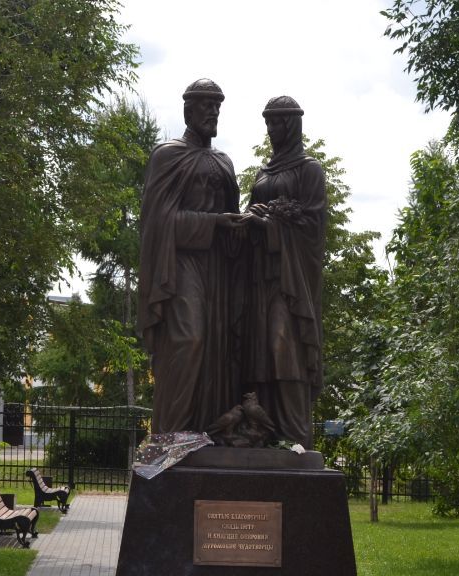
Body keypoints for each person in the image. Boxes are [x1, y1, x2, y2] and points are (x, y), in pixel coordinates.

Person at [138, 79, 244, 434]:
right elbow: (159, 223)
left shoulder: (223, 162)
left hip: (218, 269)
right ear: (188, 110)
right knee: (189, 339)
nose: (213, 112)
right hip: (180, 265)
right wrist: (214, 223)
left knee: (219, 348)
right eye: (205, 105)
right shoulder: (168, 155)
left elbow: (233, 217)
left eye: (217, 106)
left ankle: (206, 433)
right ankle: (171, 435)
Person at [236, 95, 327, 449]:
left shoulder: (309, 170)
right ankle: (261, 428)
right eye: (267, 123)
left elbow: (314, 226)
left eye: (277, 123)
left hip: (290, 279)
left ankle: (294, 432)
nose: (271, 130)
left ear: (291, 125)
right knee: (257, 350)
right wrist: (250, 220)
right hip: (259, 276)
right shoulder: (264, 172)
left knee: (282, 344)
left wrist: (270, 225)